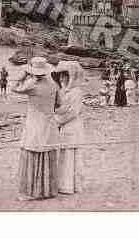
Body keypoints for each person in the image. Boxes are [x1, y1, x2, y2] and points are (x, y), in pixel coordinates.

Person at [12, 57, 60, 200]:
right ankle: (47, 190)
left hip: (34, 123)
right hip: (49, 123)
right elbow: (58, 104)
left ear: (33, 71)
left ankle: (32, 191)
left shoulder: (32, 85)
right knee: (47, 154)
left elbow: (14, 88)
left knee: (32, 154)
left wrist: (23, 75)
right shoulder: (53, 84)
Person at [53, 61, 85, 195]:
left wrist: (57, 120)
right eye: (60, 76)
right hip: (63, 126)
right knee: (64, 156)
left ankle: (71, 186)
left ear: (70, 77)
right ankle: (63, 184)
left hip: (72, 125)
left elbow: (73, 112)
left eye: (64, 76)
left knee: (71, 155)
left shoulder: (76, 92)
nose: (61, 79)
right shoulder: (62, 91)